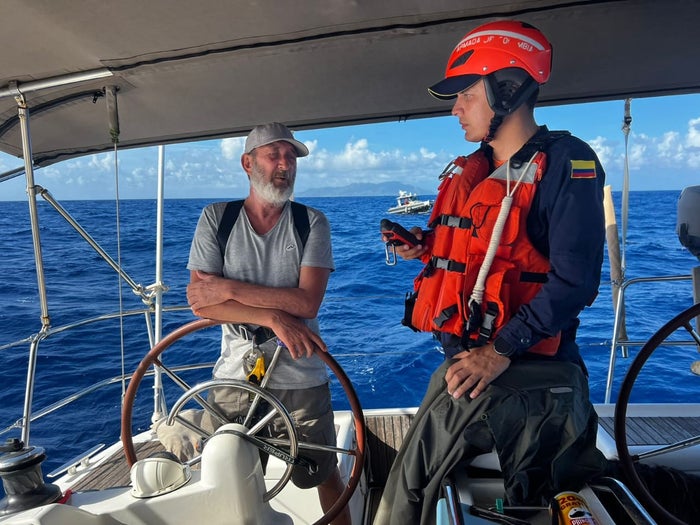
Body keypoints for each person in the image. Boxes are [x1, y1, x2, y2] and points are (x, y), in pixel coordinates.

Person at [374, 20, 609, 524]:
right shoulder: (478, 167)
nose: (455, 108)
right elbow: (481, 255)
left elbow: (576, 282)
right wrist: (426, 249)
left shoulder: (567, 164)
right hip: (469, 363)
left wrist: (498, 351)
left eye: (466, 94)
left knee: (406, 489)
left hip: (528, 370)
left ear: (507, 90)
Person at [186, 122, 350, 525]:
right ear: (248, 163)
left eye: (290, 157)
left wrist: (228, 289)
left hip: (301, 374)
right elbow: (201, 303)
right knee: (231, 478)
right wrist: (271, 317)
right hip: (234, 375)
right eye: (274, 155)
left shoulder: (312, 222)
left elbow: (307, 301)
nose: (284, 165)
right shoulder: (216, 219)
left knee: (323, 473)